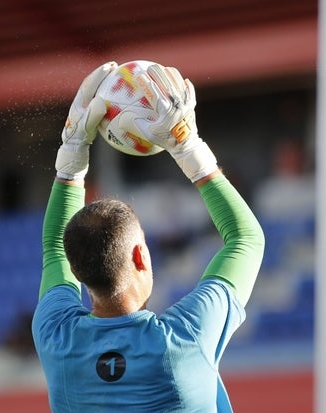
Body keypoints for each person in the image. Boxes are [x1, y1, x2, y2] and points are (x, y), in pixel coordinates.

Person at [32, 61, 265, 412]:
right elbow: (246, 239)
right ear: (140, 256)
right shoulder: (184, 338)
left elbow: (53, 249)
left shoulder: (55, 338)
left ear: (78, 271)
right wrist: (187, 146)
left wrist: (71, 156)